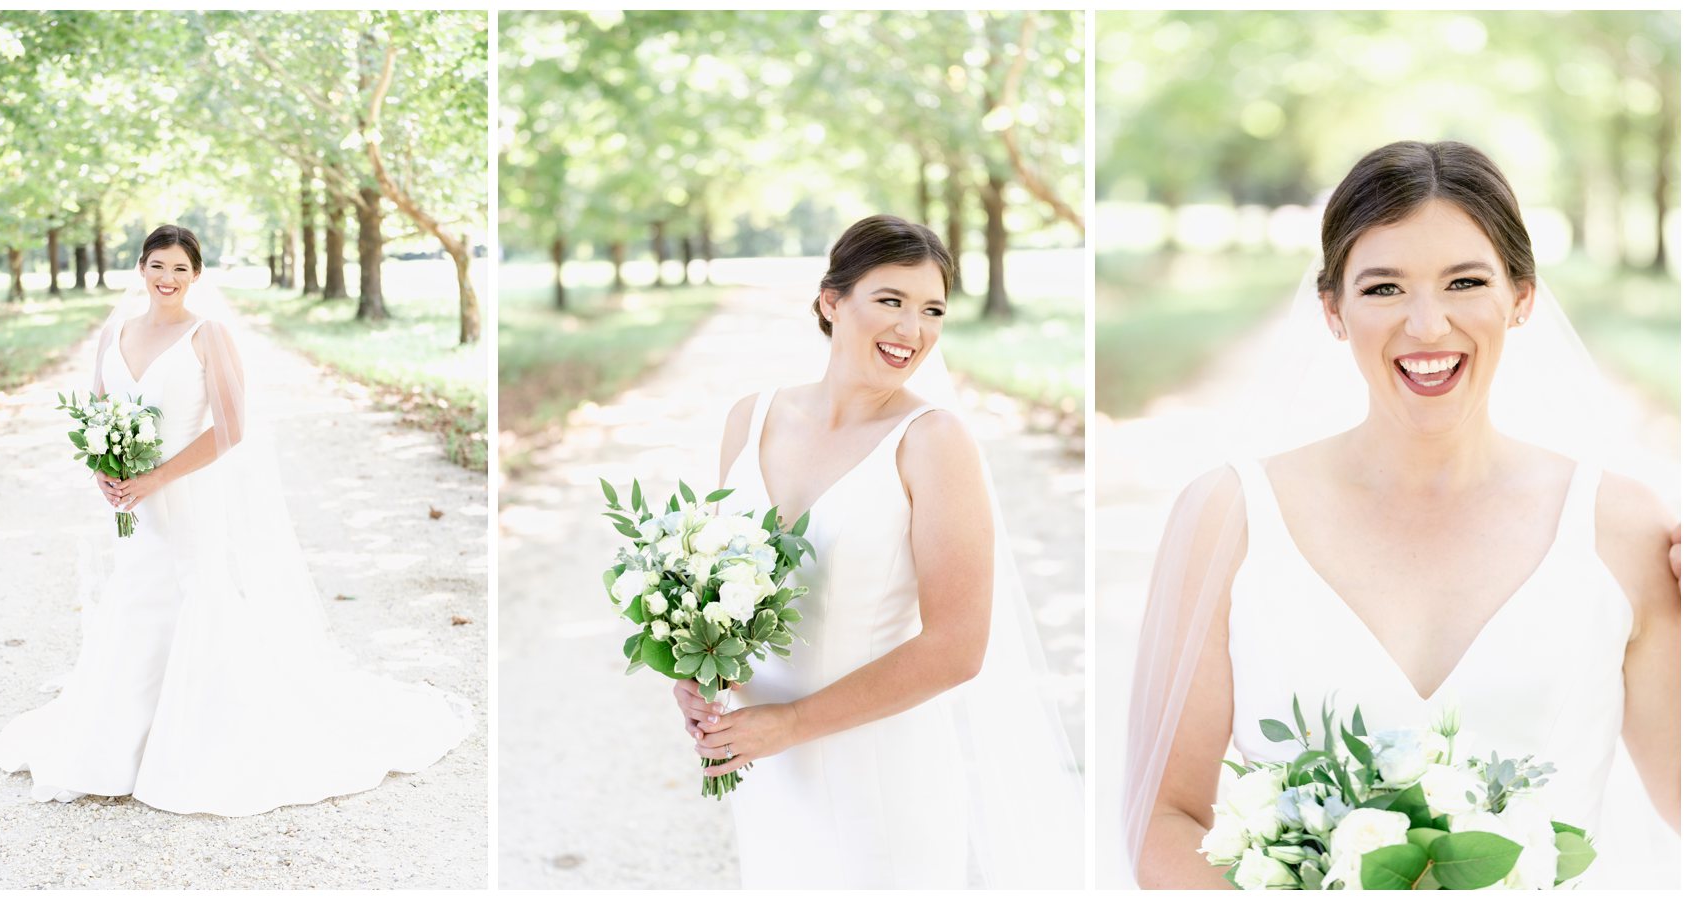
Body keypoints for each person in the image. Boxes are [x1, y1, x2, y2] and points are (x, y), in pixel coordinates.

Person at [1123, 142, 1679, 888]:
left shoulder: (1622, 528)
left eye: (1465, 282)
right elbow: (1163, 820)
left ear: (1521, 299)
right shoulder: (1228, 518)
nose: (1426, 326)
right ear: (1333, 310)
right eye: (1383, 288)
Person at [0, 224, 471, 816]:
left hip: (185, 496)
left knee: (194, 595)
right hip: (134, 503)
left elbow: (231, 427)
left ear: (196, 278)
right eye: (158, 265)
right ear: (140, 268)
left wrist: (156, 477)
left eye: (181, 270)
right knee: (138, 594)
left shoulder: (207, 334)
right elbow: (95, 411)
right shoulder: (114, 334)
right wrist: (105, 472)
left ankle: (193, 741)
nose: (168, 279)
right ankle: (119, 743)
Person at [668, 215, 1081, 888]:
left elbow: (957, 647)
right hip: (767, 768)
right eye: (890, 300)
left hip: (880, 778)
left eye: (932, 310)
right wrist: (698, 675)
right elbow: (720, 592)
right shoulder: (750, 418)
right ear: (832, 301)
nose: (912, 331)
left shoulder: (933, 441)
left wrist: (792, 722)